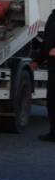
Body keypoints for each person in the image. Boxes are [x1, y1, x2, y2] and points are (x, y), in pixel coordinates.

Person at [36, 9, 55, 142]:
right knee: (52, 100)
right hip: (52, 65)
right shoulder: (52, 16)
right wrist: (37, 60)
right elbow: (46, 43)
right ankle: (53, 133)